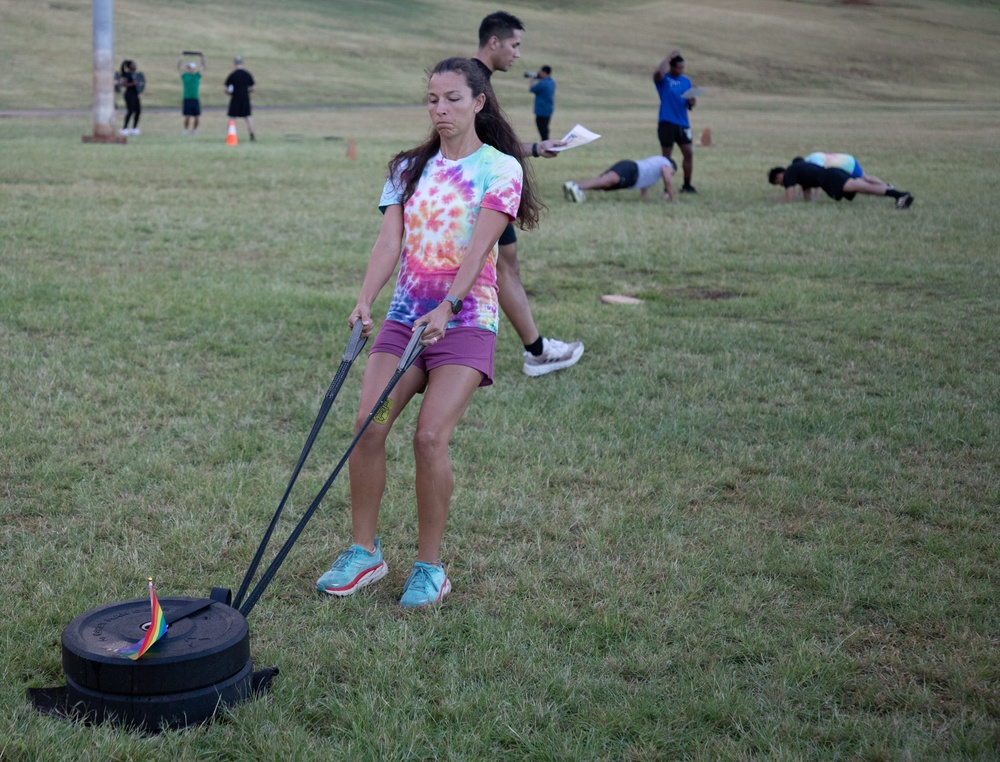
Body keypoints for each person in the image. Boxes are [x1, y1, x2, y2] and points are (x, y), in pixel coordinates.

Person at [316, 57, 540, 608]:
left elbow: (480, 247)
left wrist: (449, 304)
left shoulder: (501, 168)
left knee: (430, 437)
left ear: (479, 102)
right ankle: (364, 553)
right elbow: (389, 243)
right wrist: (365, 299)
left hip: (464, 320)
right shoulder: (408, 168)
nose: (441, 110)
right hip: (403, 319)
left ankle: (429, 568)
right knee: (369, 425)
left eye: (453, 99)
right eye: (433, 100)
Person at [473, 11, 584, 377]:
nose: (518, 54)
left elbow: (489, 144)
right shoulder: (472, 80)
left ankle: (535, 348)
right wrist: (534, 148)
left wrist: (536, 148)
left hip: (482, 188)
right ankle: (536, 352)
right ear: (495, 42)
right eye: (514, 45)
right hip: (480, 191)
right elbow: (477, 146)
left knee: (505, 266)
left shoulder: (478, 79)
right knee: (503, 267)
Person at [767, 156, 914, 209]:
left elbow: (789, 199)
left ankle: (900, 195)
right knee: (864, 187)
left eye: (777, 182)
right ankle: (896, 193)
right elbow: (808, 197)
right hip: (833, 173)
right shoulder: (800, 173)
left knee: (864, 187)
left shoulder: (790, 173)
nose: (781, 185)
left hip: (831, 177)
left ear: (778, 176)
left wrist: (775, 200)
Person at [653, 50, 696, 193]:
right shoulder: (664, 79)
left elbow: (689, 104)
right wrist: (667, 58)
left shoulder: (686, 81)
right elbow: (657, 73)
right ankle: (667, 187)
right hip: (667, 122)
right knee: (666, 157)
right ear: (671, 67)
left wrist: (691, 102)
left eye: (683, 67)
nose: (681, 70)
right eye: (678, 67)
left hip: (683, 123)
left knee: (688, 153)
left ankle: (687, 185)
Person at [563, 156, 676, 203]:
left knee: (602, 184)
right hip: (631, 169)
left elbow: (644, 186)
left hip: (631, 179)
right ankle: (577, 187)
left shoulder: (654, 175)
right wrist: (672, 198)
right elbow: (668, 181)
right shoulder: (665, 163)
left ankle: (573, 187)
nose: (670, 174)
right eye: (672, 172)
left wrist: (644, 200)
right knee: (604, 181)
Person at [225, 56, 255, 141]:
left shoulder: (232, 75)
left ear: (235, 64)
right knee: (248, 117)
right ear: (242, 63)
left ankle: (229, 135)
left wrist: (229, 92)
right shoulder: (247, 74)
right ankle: (252, 136)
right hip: (245, 98)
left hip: (235, 98)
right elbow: (253, 87)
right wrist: (247, 91)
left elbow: (226, 88)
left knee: (232, 118)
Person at [178, 53, 205, 135]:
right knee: (187, 116)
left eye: (192, 68)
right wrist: (181, 58)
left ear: (194, 69)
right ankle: (186, 129)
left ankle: (194, 130)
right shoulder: (185, 76)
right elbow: (179, 68)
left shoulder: (197, 76)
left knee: (197, 116)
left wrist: (202, 58)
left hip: (195, 98)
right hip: (187, 98)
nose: (191, 69)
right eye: (189, 68)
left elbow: (203, 67)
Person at [528, 65, 555, 141]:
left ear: (544, 72)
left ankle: (545, 143)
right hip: (549, 109)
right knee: (545, 128)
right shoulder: (552, 82)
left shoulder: (542, 83)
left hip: (541, 110)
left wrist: (532, 79)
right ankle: (546, 142)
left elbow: (531, 89)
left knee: (542, 128)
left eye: (541, 72)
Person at [118, 60, 141, 136]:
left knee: (138, 111)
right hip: (129, 94)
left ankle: (134, 128)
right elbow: (123, 84)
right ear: (130, 66)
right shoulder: (127, 74)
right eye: (133, 64)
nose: (135, 65)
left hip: (135, 94)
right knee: (130, 111)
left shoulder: (135, 74)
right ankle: (124, 128)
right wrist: (132, 84)